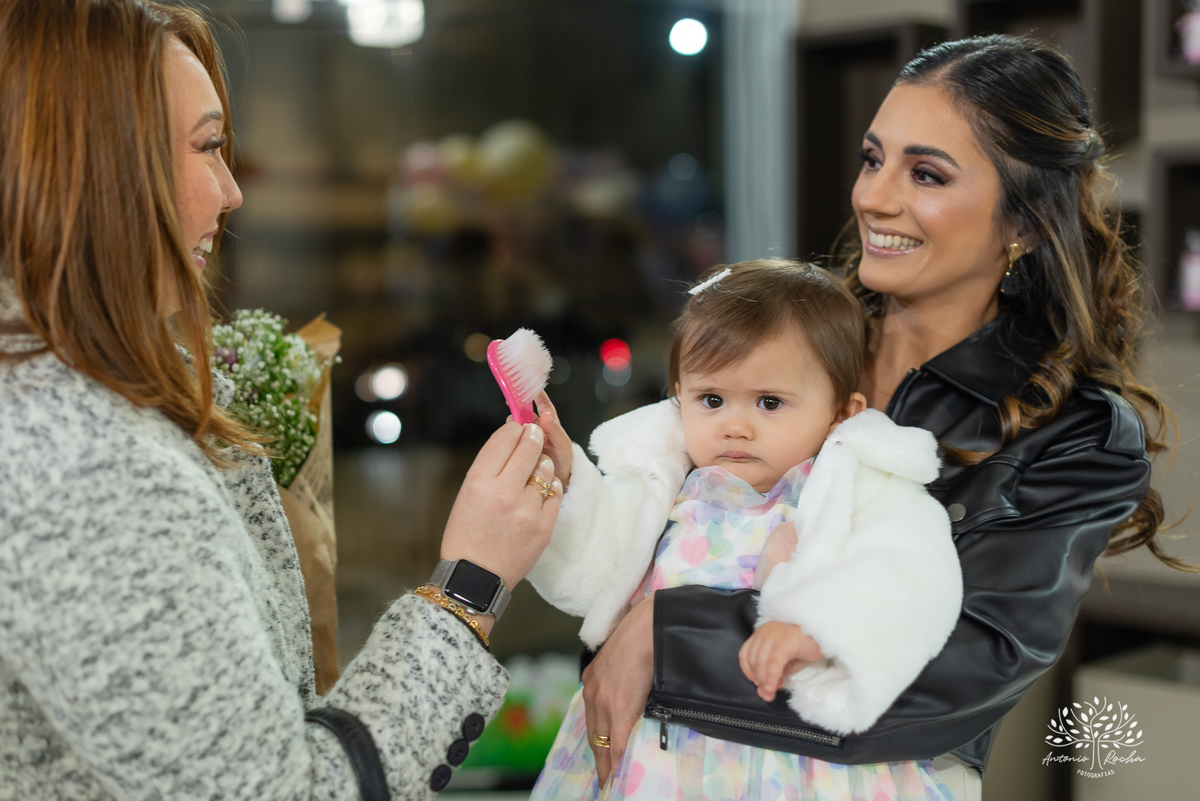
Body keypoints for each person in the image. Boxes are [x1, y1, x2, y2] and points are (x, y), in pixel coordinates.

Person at [535, 34, 1199, 801]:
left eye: (925, 173)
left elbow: (951, 675)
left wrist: (664, 636)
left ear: (1025, 221)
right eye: (872, 157)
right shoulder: (790, 338)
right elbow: (645, 533)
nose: (874, 196)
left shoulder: (1077, 434)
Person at [0, 2, 562, 799]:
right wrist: (470, 583)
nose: (231, 192)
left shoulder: (94, 398)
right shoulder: (83, 465)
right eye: (207, 146)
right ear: (101, 168)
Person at [527, 261, 964, 799]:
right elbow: (595, 571)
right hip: (657, 755)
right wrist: (566, 482)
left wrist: (814, 625)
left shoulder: (850, 488)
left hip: (795, 759)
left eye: (770, 402)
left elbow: (910, 574)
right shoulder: (665, 485)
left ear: (840, 415)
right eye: (712, 400)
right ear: (678, 396)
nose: (735, 425)